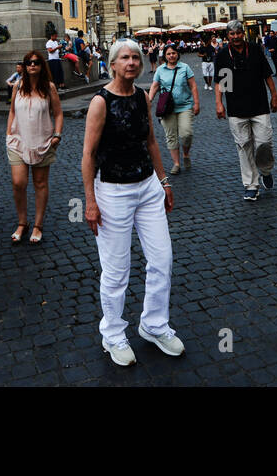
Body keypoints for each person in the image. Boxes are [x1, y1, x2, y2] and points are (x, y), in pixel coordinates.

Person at [82, 39, 181, 366]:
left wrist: (163, 180)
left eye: (135, 57)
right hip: (113, 191)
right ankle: (112, 333)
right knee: (116, 270)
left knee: (162, 259)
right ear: (112, 64)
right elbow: (88, 155)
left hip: (147, 187)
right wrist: (90, 201)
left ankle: (154, 324)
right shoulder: (100, 101)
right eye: (124, 57)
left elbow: (151, 140)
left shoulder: (141, 97)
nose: (131, 62)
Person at [214, 20, 277, 201]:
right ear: (227, 36)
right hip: (236, 109)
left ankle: (266, 170)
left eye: (238, 33)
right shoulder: (222, 55)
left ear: (243, 33)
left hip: (259, 105)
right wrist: (219, 103)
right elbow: (222, 83)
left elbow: (267, 74)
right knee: (244, 147)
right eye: (232, 34)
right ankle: (251, 185)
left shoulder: (256, 49)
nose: (235, 37)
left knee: (264, 142)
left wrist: (274, 95)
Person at [6, 50, 63, 244]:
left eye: (36, 62)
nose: (32, 65)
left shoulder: (49, 88)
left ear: (41, 66)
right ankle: (22, 222)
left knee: (40, 183)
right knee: (18, 182)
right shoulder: (18, 86)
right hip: (18, 141)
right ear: (24, 65)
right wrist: (8, 134)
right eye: (29, 62)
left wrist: (57, 135)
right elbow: (12, 111)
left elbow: (59, 113)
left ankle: (37, 225)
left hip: (42, 140)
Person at [148, 44, 200, 175]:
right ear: (164, 56)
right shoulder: (160, 70)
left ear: (178, 54)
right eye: (169, 54)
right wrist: (149, 101)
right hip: (167, 109)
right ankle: (176, 163)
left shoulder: (185, 68)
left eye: (174, 53)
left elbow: (193, 86)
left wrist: (196, 103)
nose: (171, 56)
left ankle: (186, 154)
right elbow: (154, 87)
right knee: (171, 136)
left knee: (186, 134)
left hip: (185, 106)